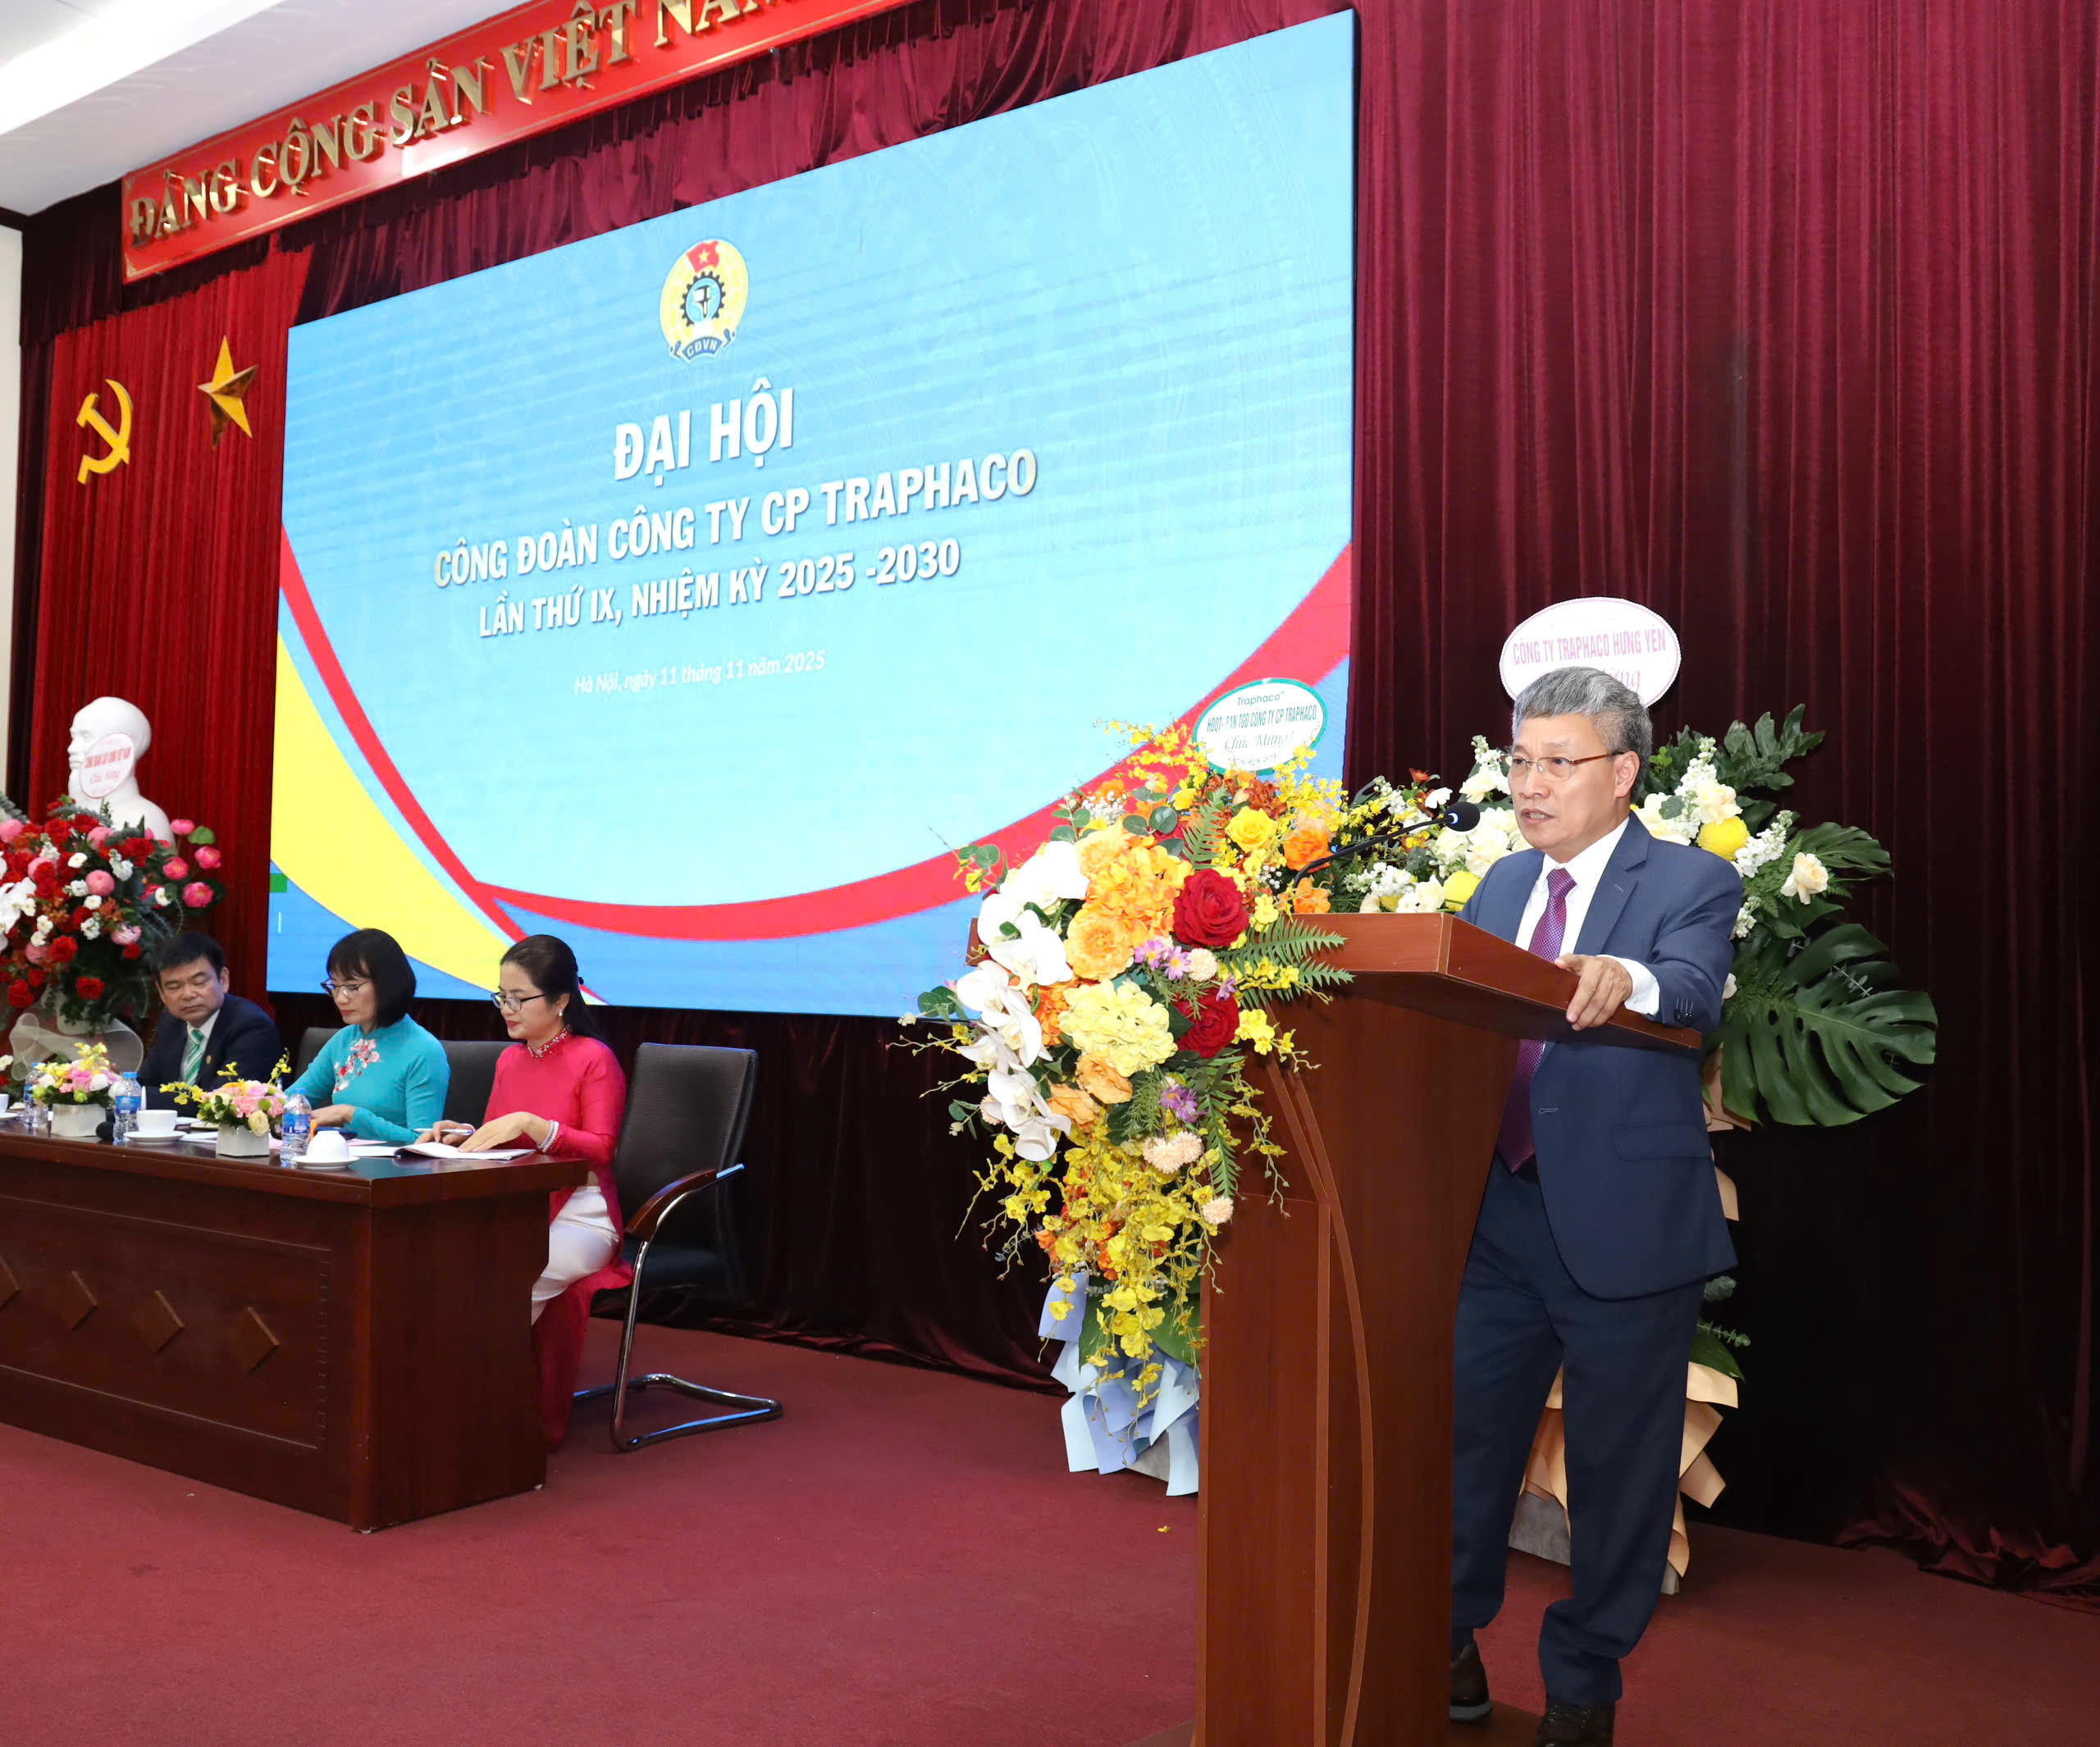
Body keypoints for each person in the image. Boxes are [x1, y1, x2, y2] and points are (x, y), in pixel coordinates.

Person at [1449, 666, 1741, 1747]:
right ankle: (1445, 1634)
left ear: (1621, 773)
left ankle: (1582, 1682)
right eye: (1519, 761)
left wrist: (1626, 974)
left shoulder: (1690, 880)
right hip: (1497, 1216)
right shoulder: (1496, 887)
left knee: (1619, 1474)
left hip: (1627, 1225)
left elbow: (1694, 988)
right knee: (1461, 1446)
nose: (1530, 784)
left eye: (1557, 763)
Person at [425, 933, 630, 1446]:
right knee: (446, 1271)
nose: (507, 1010)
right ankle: (459, 1405)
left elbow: (602, 1149)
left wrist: (536, 1125)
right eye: (501, 996)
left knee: (507, 1282)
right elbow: (502, 1138)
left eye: (519, 998)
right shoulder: (510, 1060)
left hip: (582, 1214)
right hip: (521, 1207)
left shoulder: (594, 1059)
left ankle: (481, 1417)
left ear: (561, 1000)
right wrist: (464, 1135)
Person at [288, 928, 448, 1145]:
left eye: (352, 987)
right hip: (341, 1161)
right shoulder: (344, 1040)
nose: (340, 998)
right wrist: (252, 1101)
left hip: (395, 1165)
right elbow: (292, 1101)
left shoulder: (424, 1051)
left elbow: (424, 1141)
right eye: (335, 986)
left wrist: (349, 1114)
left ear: (388, 984)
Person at [139, 933, 283, 1107]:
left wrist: (141, 1097)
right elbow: (146, 1082)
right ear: (161, 993)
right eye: (174, 987)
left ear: (223, 980)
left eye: (199, 982)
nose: (188, 994)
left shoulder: (251, 1027)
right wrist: (116, 1087)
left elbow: (220, 1104)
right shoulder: (172, 1023)